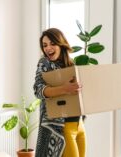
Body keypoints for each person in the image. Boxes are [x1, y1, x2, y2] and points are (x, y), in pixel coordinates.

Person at [33, 28, 86, 157]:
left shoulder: (71, 64)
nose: (48, 48)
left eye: (52, 44)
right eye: (44, 45)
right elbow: (38, 89)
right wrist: (65, 89)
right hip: (62, 127)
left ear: (60, 44)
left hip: (79, 125)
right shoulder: (44, 63)